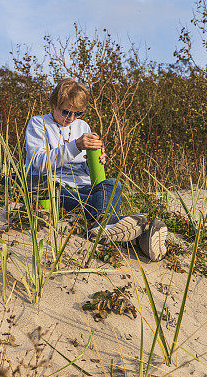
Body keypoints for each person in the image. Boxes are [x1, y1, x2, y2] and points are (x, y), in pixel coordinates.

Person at [24, 78, 167, 261]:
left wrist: (95, 161)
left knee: (113, 184)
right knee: (94, 204)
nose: (71, 118)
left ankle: (106, 226)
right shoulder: (38, 124)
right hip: (53, 186)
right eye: (66, 111)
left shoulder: (82, 126)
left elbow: (84, 167)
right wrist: (75, 145)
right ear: (54, 104)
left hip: (83, 185)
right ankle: (141, 236)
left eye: (78, 113)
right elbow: (38, 163)